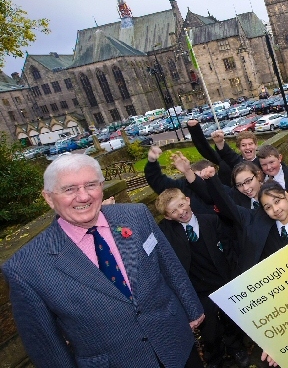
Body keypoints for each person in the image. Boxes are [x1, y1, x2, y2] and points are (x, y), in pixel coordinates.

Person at [2, 154, 205, 368]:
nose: (83, 196)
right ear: (49, 197)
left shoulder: (136, 215)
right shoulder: (24, 267)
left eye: (91, 185)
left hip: (176, 343)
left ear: (101, 186)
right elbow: (45, 345)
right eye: (69, 189)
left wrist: (192, 308)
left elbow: (169, 264)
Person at [156, 187, 249, 368]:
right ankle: (215, 356)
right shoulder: (167, 233)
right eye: (174, 211)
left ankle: (236, 346)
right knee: (209, 329)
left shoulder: (211, 221)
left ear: (188, 200)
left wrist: (234, 279)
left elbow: (229, 251)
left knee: (231, 319)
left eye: (182, 205)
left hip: (222, 281)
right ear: (167, 217)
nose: (181, 212)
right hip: (197, 289)